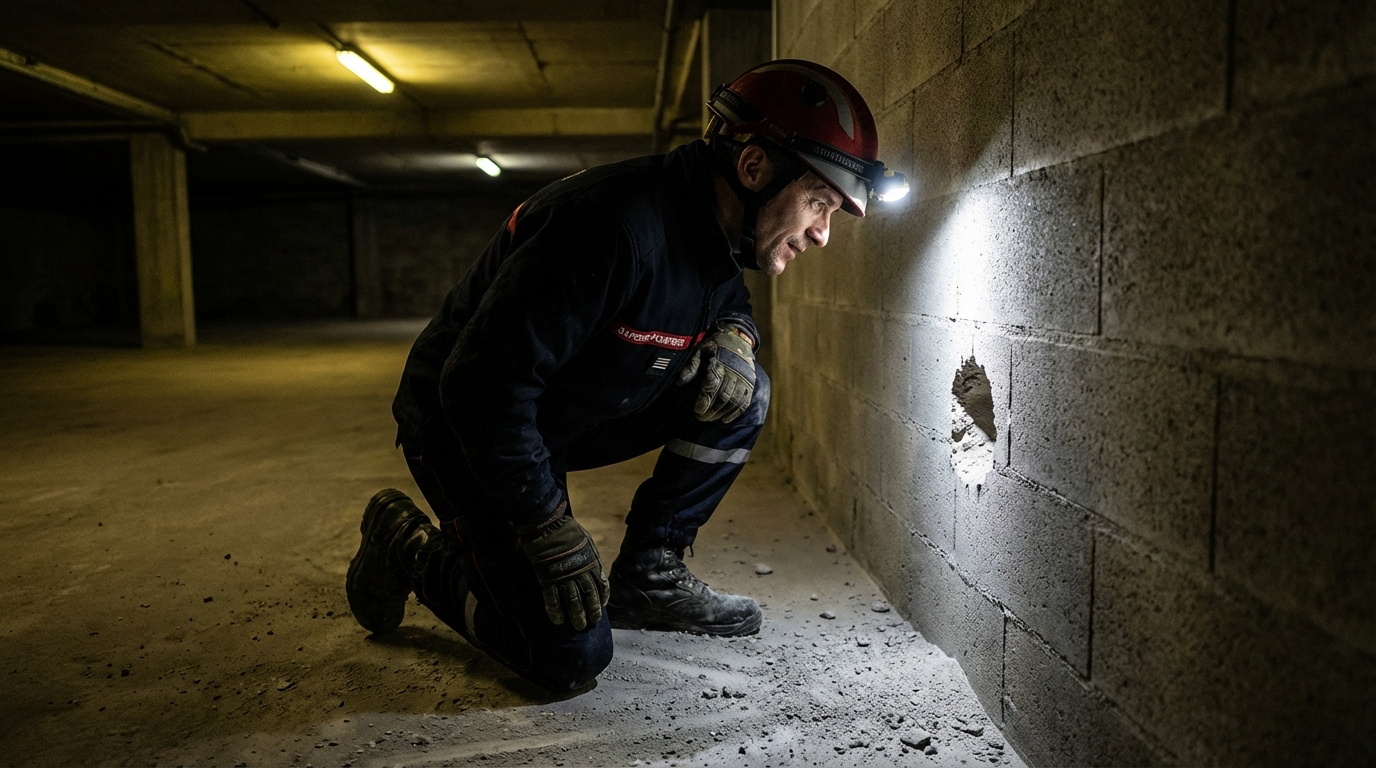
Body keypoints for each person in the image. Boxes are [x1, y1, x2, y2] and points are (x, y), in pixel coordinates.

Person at [344, 60, 906, 692]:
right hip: (466, 423)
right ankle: (409, 548)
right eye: (818, 204)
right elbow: (480, 388)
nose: (823, 235)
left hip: (561, 410)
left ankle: (650, 577)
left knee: (744, 392)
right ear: (753, 167)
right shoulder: (606, 227)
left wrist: (736, 337)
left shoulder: (716, 222)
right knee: (564, 657)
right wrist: (545, 524)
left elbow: (728, 299)